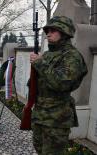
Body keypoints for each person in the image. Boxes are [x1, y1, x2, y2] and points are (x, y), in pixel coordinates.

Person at [29, 16, 88, 155]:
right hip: (40, 115)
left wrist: (39, 63)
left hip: (57, 120)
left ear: (65, 32)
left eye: (53, 30)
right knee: (39, 149)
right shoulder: (48, 54)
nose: (48, 34)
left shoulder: (72, 56)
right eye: (47, 31)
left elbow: (61, 83)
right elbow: (39, 82)